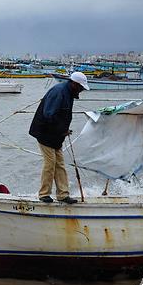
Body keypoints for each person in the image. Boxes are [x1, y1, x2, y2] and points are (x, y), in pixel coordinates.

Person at [29, 71, 90, 204]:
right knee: (50, 163)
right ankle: (44, 194)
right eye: (81, 88)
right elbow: (49, 115)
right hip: (45, 133)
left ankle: (63, 195)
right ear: (74, 84)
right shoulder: (59, 92)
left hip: (56, 135)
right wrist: (62, 129)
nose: (81, 91)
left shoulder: (69, 93)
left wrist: (63, 130)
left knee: (60, 164)